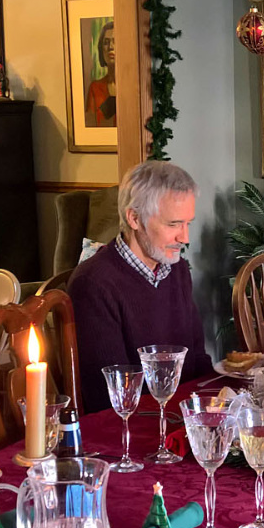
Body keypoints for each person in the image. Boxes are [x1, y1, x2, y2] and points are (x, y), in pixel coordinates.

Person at [69, 161, 213, 412]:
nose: (184, 238)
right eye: (173, 224)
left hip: (183, 417)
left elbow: (197, 361)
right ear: (134, 218)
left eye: (187, 223)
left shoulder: (177, 269)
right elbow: (107, 399)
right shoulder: (93, 284)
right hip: (132, 424)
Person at [86, 21, 116, 128]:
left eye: (115, 41)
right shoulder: (95, 88)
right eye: (106, 42)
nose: (110, 47)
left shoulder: (133, 86)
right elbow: (90, 126)